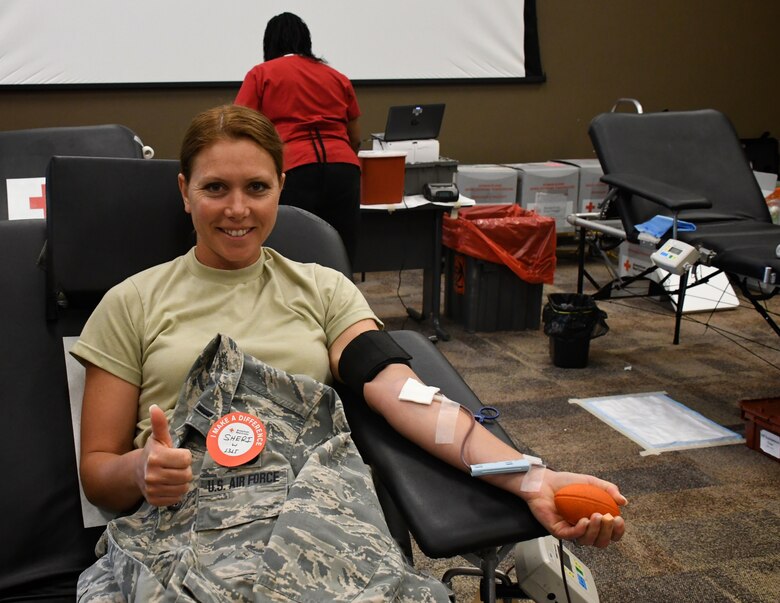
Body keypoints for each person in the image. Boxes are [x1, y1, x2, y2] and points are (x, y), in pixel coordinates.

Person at [72, 105, 625, 600]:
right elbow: (98, 473)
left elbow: (405, 396)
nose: (237, 209)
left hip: (314, 518)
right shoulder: (133, 303)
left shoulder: (323, 289)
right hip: (188, 522)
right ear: (184, 191)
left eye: (257, 188)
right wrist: (142, 470)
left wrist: (532, 478)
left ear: (281, 187)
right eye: (215, 188)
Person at [235, 11, 362, 263]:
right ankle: (342, 299)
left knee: (294, 252)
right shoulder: (337, 77)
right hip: (344, 168)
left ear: (269, 43)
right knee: (342, 251)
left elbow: (241, 126)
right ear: (306, 42)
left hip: (294, 168)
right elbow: (354, 135)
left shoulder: (261, 74)